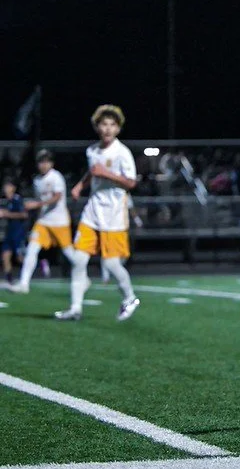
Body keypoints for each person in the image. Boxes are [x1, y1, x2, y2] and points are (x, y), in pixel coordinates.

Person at [55, 105, 141, 321]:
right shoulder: (92, 150)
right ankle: (75, 308)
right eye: (104, 124)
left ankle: (129, 298)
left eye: (112, 125)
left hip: (114, 214)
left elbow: (131, 182)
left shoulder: (122, 153)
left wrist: (106, 173)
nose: (108, 128)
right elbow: (93, 171)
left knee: (111, 264)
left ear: (118, 129)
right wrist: (80, 185)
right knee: (78, 261)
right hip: (92, 212)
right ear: (97, 127)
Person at [7, 150, 75, 293]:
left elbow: (57, 197)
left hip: (59, 221)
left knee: (69, 253)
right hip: (43, 221)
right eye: (41, 162)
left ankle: (83, 275)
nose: (44, 165)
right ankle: (24, 283)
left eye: (47, 162)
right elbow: (41, 200)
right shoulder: (37, 180)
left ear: (52, 163)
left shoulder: (56, 177)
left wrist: (36, 205)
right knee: (32, 249)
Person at [1, 178, 29, 285]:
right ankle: (9, 280)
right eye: (5, 187)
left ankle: (40, 264)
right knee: (5, 256)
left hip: (18, 232)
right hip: (9, 232)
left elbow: (24, 215)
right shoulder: (8, 201)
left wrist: (6, 214)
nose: (6, 189)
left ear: (13, 188)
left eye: (8, 186)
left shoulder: (17, 199)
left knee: (20, 257)